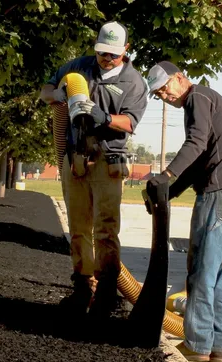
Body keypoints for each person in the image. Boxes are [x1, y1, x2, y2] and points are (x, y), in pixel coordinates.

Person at [145, 61, 222, 362]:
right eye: (158, 94)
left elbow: (195, 144)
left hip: (220, 193)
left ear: (180, 78)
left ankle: (198, 344)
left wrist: (166, 174)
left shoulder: (197, 98)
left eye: (165, 88)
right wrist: (172, 190)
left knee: (203, 272)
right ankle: (219, 346)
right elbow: (203, 156)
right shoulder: (209, 100)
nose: (165, 96)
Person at [39, 21, 148, 319]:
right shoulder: (79, 67)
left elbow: (130, 123)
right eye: (102, 53)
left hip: (109, 159)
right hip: (76, 157)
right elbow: (45, 91)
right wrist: (58, 96)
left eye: (113, 55)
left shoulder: (134, 82)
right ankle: (82, 288)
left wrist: (102, 116)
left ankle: (107, 293)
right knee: (77, 228)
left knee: (105, 229)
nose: (106, 59)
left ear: (125, 50)